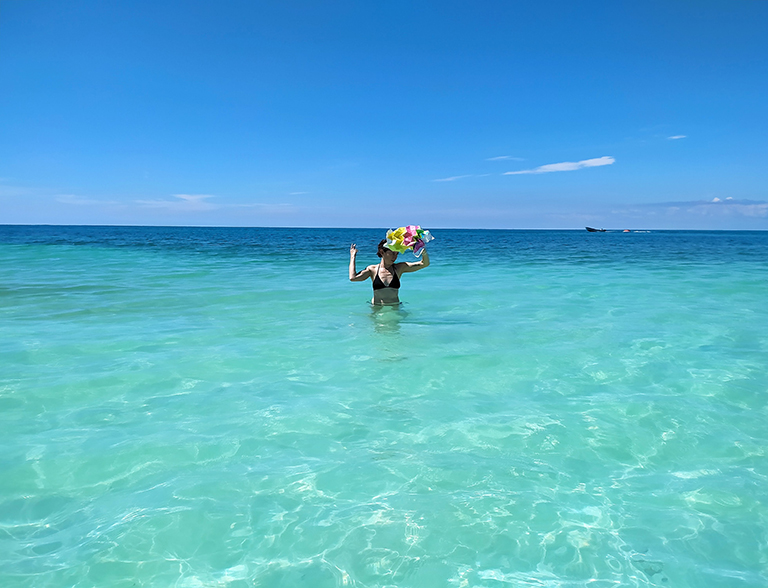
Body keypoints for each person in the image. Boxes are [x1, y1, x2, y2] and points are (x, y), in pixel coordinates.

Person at [349, 239, 430, 305]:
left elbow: (424, 264)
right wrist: (353, 256)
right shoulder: (372, 269)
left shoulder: (399, 268)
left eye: (397, 254)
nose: (395, 257)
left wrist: (423, 251)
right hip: (377, 308)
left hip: (394, 308)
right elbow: (353, 278)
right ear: (382, 252)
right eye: (392, 253)